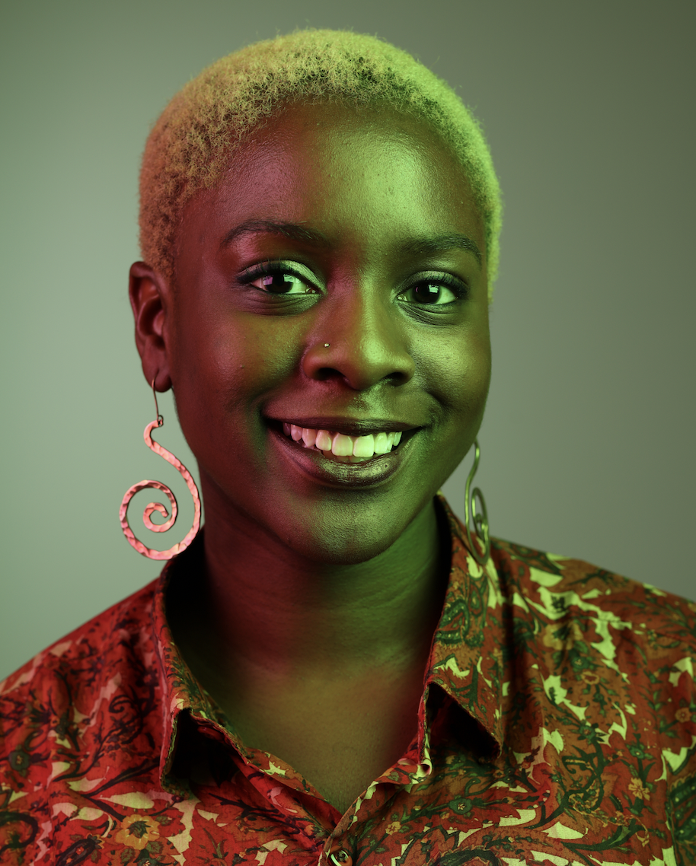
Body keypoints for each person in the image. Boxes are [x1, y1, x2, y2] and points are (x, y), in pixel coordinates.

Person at [1, 27, 694, 866]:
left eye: (430, 289)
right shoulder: (21, 765)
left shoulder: (672, 685)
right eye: (278, 280)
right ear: (158, 325)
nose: (364, 351)